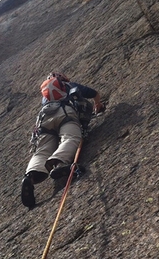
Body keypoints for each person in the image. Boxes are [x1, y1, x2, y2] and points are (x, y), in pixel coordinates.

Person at [21, 71, 104, 208]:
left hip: (44, 119)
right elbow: (93, 93)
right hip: (65, 113)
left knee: (42, 151)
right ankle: (59, 163)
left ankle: (30, 176)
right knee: (70, 138)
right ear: (62, 79)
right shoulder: (68, 85)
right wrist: (98, 105)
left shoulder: (45, 97)